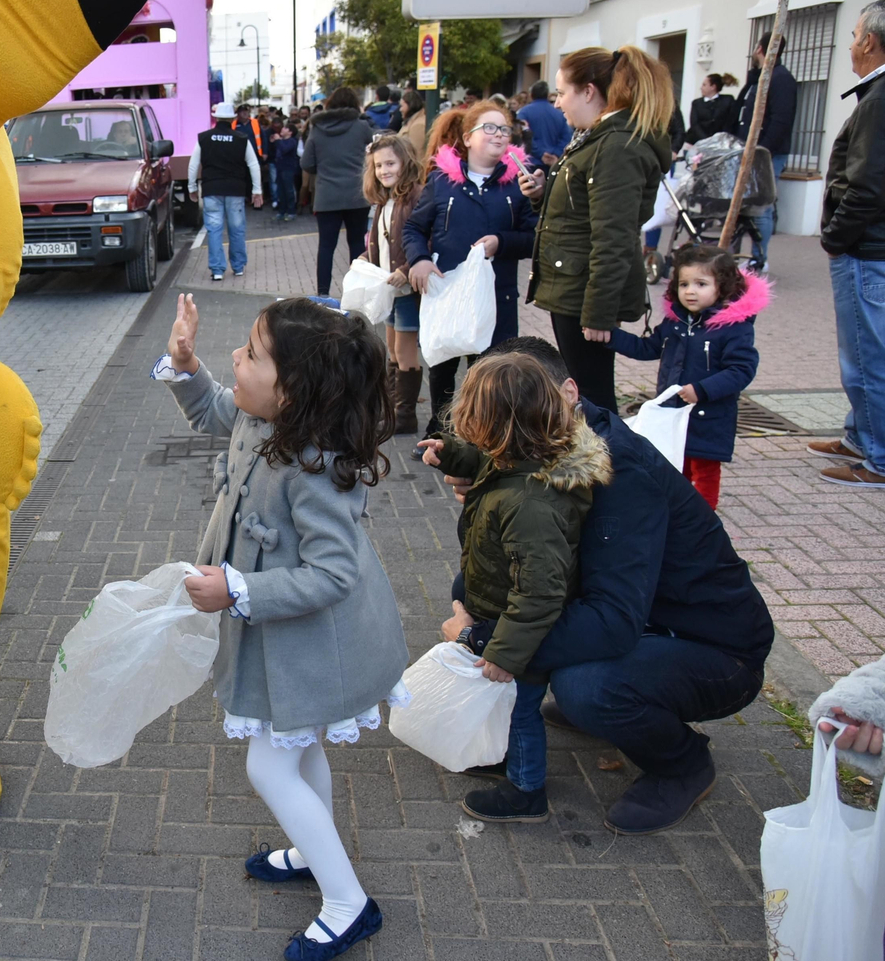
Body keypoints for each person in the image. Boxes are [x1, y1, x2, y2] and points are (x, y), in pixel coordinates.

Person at [440, 336, 773, 834]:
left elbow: (612, 621)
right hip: (644, 618)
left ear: (570, 391)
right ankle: (621, 700)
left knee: (585, 689)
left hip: (719, 652)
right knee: (478, 590)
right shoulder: (547, 439)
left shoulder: (621, 472)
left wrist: (483, 638)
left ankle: (682, 763)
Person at [156, 294, 405, 960]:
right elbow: (215, 410)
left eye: (253, 355)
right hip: (282, 638)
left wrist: (237, 586)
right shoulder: (265, 413)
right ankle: (308, 850)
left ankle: (350, 905)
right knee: (298, 750)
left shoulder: (319, 468)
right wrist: (186, 364)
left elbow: (333, 575)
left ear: (294, 392)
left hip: (317, 646)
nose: (236, 358)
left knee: (270, 766)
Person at [419, 354, 611, 822]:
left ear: (496, 427)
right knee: (507, 698)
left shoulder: (531, 502)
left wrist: (507, 652)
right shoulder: (525, 454)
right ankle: (504, 754)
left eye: (472, 421)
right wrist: (452, 452)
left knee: (521, 704)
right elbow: (484, 459)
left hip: (518, 621)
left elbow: (540, 592)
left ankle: (526, 789)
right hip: (501, 602)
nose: (466, 428)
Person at [522, 46, 674, 412]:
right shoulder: (600, 137)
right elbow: (582, 213)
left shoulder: (615, 145)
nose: (557, 103)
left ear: (588, 91)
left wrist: (599, 314)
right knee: (585, 393)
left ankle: (603, 468)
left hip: (584, 293)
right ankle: (594, 465)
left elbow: (615, 236)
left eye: (562, 92)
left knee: (593, 401)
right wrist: (543, 194)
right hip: (575, 285)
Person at [405, 100, 538, 435]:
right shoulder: (441, 182)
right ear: (467, 138)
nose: (499, 134)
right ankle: (441, 431)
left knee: (491, 371)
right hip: (447, 290)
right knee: (442, 368)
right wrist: (419, 258)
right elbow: (414, 229)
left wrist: (501, 242)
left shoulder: (518, 186)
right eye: (489, 127)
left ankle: (484, 435)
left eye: (505, 129)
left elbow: (534, 237)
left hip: (496, 296)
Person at [608, 247, 766, 509]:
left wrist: (701, 390)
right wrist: (611, 337)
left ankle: (703, 521)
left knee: (704, 470)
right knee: (675, 466)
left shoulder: (734, 329)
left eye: (700, 284)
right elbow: (648, 348)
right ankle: (680, 514)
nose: (690, 291)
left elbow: (741, 370)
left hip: (709, 416)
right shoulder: (676, 323)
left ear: (722, 287)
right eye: (684, 284)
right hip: (674, 414)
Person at [811, 0, 885, 489]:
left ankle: (876, 457)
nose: (851, 44)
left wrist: (835, 239)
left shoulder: (878, 99)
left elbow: (867, 185)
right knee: (859, 355)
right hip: (865, 249)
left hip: (866, 251)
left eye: (855, 34)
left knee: (866, 357)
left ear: (871, 42)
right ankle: (860, 437)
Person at [360, 134, 424, 433]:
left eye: (390, 163)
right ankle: (392, 405)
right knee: (392, 348)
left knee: (404, 347)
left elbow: (426, 241)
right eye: (378, 165)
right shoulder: (385, 201)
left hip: (407, 289)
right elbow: (379, 244)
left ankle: (405, 415)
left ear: (405, 163)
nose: (384, 170)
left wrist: (408, 268)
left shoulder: (414, 198)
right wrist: (364, 258)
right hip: (389, 287)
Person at [303, 86, 377, 296]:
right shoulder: (362, 127)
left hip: (327, 196)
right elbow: (376, 150)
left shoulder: (317, 128)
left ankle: (323, 294)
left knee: (326, 246)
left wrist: (324, 168)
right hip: (357, 195)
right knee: (356, 244)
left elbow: (306, 162)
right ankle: (357, 291)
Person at [737, 32, 799, 271]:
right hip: (748, 153)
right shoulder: (759, 78)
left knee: (762, 207)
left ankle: (758, 258)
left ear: (760, 48)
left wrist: (761, 151)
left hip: (766, 155)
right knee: (745, 206)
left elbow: (781, 121)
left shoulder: (781, 79)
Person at [190, 102, 264, 281]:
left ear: (215, 118)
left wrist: (191, 187)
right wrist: (257, 190)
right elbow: (253, 164)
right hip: (235, 190)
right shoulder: (241, 138)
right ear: (232, 118)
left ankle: (217, 270)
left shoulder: (204, 138)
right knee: (237, 229)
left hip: (211, 189)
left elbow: (193, 164)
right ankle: (238, 267)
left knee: (214, 230)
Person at [518, 80, 572, 168]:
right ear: (547, 95)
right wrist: (556, 153)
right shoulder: (559, 114)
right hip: (553, 162)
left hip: (530, 162)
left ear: (531, 95)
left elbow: (523, 137)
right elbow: (566, 138)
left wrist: (540, 153)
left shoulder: (524, 113)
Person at [683, 73, 740, 146]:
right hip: (696, 142)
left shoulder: (727, 100)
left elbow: (730, 122)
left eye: (704, 85)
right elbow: (695, 124)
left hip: (720, 143)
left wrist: (720, 139)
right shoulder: (697, 103)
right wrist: (706, 140)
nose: (701, 88)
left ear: (713, 87)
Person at [272, 121, 301, 221]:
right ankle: (282, 211)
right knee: (281, 191)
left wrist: (278, 141)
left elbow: (285, 150)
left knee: (289, 190)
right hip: (280, 168)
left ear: (290, 132)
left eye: (285, 128)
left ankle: (291, 211)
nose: (282, 129)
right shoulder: (282, 141)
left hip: (288, 169)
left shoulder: (292, 141)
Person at [397, 90, 427, 157]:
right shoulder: (413, 121)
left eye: (402, 106)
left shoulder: (418, 125)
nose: (400, 109)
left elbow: (418, 153)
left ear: (410, 105)